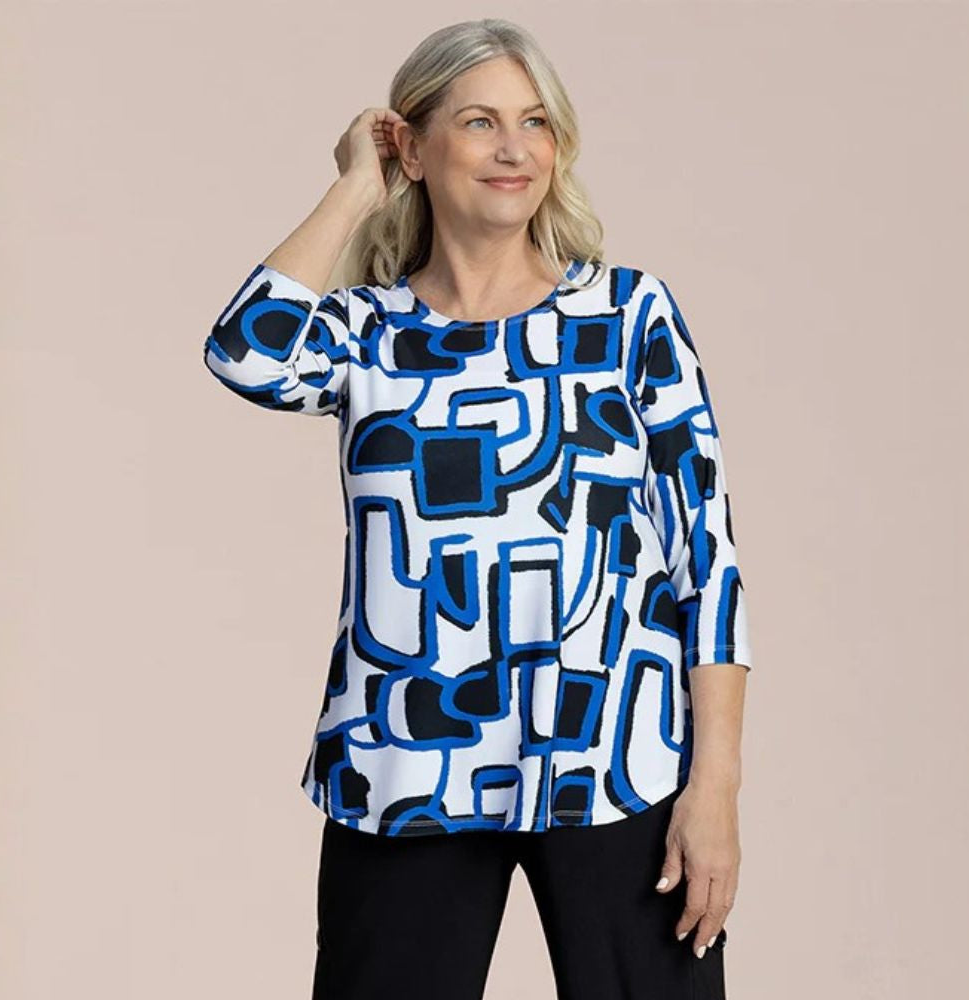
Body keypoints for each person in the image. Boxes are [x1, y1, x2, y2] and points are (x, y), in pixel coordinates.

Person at [200, 18, 754, 1000]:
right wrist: (356, 186)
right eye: (479, 122)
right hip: (410, 762)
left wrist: (715, 787)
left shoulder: (628, 318)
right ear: (414, 149)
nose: (514, 149)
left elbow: (704, 562)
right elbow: (244, 351)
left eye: (535, 122)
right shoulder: (367, 333)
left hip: (611, 759)